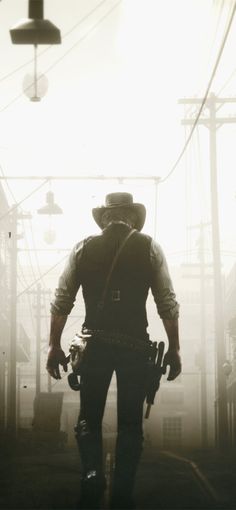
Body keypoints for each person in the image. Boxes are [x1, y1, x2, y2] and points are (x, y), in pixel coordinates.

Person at [46, 192, 181, 509]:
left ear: (105, 218)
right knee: (131, 422)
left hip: (94, 346)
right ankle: (123, 489)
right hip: (135, 347)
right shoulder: (150, 248)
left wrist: (53, 345)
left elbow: (61, 299)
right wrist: (174, 348)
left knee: (88, 418)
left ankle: (92, 474)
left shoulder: (82, 248)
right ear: (132, 218)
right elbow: (168, 303)